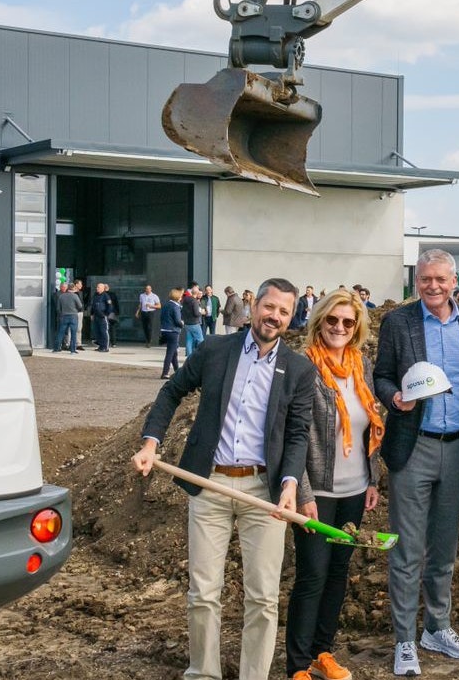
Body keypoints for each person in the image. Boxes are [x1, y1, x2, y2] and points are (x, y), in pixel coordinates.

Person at [131, 278, 315, 680]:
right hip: (210, 484)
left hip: (263, 491)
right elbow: (171, 392)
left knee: (263, 598)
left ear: (291, 317)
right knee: (203, 592)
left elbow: (299, 432)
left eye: (284, 311)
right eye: (269, 307)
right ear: (253, 306)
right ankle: (203, 672)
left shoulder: (299, 369)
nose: (275, 316)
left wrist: (288, 485)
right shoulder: (215, 350)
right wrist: (150, 443)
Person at [373, 249, 459, 676]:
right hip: (413, 445)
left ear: (454, 280)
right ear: (415, 281)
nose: (432, 286)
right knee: (407, 549)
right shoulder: (398, 322)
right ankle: (405, 640)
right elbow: (381, 375)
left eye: (440, 279)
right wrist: (394, 398)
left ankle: (436, 626)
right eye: (424, 280)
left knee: (444, 545)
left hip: (458, 448)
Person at [287, 289, 386, 680]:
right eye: (332, 320)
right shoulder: (302, 368)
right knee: (312, 574)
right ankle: (297, 666)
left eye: (348, 322)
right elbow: (294, 436)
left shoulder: (362, 366)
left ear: (357, 326)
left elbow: (369, 428)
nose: (339, 328)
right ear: (319, 321)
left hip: (354, 491)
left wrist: (373, 480)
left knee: (338, 573)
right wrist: (303, 493)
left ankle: (321, 653)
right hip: (318, 494)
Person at [160, 287, 184, 379]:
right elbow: (178, 321)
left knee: (173, 352)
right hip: (173, 331)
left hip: (165, 330)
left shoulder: (166, 305)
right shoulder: (175, 307)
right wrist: (182, 323)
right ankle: (165, 372)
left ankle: (177, 371)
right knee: (170, 353)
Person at [53, 282, 82, 354]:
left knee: (60, 332)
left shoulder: (62, 296)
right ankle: (72, 350)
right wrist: (75, 310)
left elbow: (58, 308)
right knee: (73, 333)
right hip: (73, 316)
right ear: (73, 288)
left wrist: (62, 313)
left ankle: (56, 348)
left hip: (64, 316)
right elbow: (80, 306)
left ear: (67, 288)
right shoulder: (75, 296)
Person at [182, 283, 205, 359]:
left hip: (187, 323)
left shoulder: (185, 300)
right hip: (194, 323)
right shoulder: (194, 301)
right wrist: (201, 312)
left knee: (189, 340)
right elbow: (196, 313)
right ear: (197, 293)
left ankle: (189, 357)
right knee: (200, 339)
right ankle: (200, 356)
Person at [90, 282, 114, 352]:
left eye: (98, 287)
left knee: (104, 332)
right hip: (96, 316)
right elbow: (93, 305)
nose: (97, 288)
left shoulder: (106, 296)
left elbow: (110, 306)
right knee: (97, 332)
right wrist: (92, 314)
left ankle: (106, 347)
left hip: (102, 317)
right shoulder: (95, 295)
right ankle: (101, 346)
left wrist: (106, 314)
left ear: (103, 288)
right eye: (97, 287)